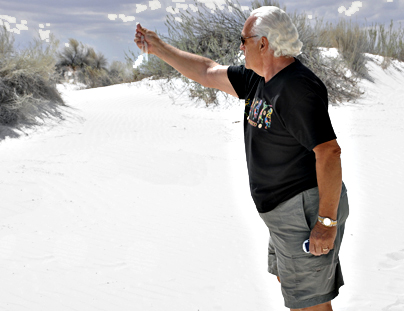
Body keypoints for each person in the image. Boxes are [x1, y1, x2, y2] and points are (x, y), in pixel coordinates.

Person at [134, 6, 349, 311]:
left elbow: (329, 152)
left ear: (264, 43)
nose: (240, 46)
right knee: (296, 293)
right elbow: (206, 72)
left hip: (305, 211)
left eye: (243, 39)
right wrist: (159, 48)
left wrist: (326, 223)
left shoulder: (296, 87)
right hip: (283, 214)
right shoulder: (257, 80)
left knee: (312, 304)